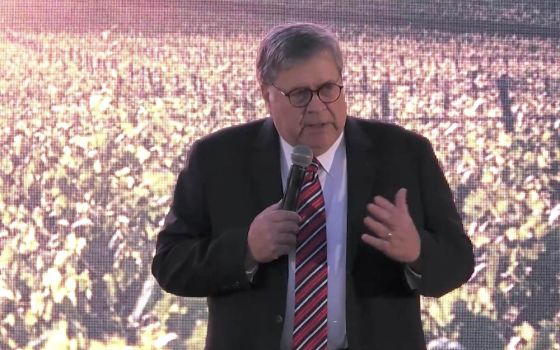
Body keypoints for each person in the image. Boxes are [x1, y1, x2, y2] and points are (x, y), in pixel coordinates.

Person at [152, 22, 474, 350]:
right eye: (300, 95)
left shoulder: (405, 155)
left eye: (328, 89)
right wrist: (245, 249)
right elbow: (170, 264)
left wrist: (418, 251)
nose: (318, 107)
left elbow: (459, 262)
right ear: (267, 95)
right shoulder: (218, 159)